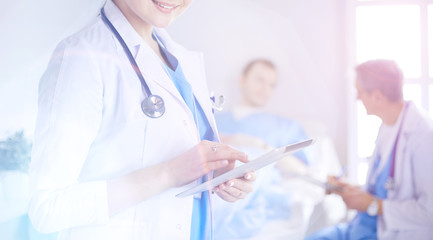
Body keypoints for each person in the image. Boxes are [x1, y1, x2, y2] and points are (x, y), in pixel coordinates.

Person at [28, 1, 256, 240]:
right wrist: (167, 174)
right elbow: (47, 208)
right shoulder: (83, 56)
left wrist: (216, 173)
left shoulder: (179, 57)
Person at [305, 59, 433, 240]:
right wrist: (348, 189)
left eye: (359, 92)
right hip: (362, 226)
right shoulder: (389, 125)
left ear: (378, 97)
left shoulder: (424, 135)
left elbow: (429, 213)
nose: (357, 98)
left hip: (390, 233)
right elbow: (384, 187)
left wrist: (374, 205)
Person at [213, 59, 312, 239]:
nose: (265, 89)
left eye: (271, 85)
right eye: (259, 80)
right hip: (213, 184)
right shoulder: (212, 121)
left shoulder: (284, 127)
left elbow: (300, 169)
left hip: (253, 196)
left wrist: (260, 146)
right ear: (242, 80)